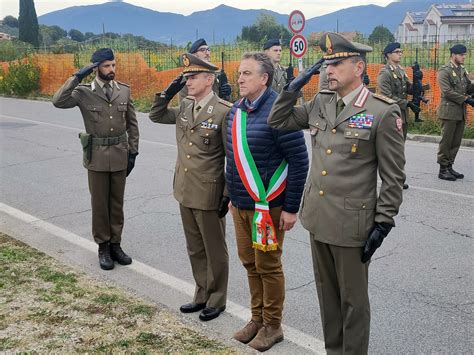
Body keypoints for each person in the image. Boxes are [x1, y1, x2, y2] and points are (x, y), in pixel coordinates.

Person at [268, 32, 405, 354]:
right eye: (326, 64)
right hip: (318, 217)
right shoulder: (321, 102)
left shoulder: (383, 111)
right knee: (327, 298)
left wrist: (383, 222)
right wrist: (292, 88)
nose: (328, 70)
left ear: (358, 67)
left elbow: (393, 176)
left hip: (352, 224)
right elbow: (278, 121)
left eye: (336, 64)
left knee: (353, 303)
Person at [226, 52, 308, 351]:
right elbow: (232, 158)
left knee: (268, 265)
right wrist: (232, 196)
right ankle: (257, 319)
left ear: (264, 78)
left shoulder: (279, 111)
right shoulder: (235, 110)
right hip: (241, 204)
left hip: (269, 208)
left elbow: (299, 161)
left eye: (247, 73)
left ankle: (273, 326)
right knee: (250, 263)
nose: (240, 78)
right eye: (239, 73)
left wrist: (290, 208)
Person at [149, 53, 231, 321]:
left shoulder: (223, 110)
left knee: (214, 247)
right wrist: (168, 92)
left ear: (209, 79)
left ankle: (217, 298)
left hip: (209, 191)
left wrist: (227, 194)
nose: (188, 81)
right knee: (195, 246)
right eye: (185, 77)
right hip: (184, 188)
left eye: (193, 77)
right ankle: (201, 293)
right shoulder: (185, 105)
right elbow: (156, 115)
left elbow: (233, 156)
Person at [53, 48, 139, 270]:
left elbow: (132, 124)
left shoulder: (124, 91)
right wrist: (77, 76)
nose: (111, 70)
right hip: (97, 158)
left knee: (117, 204)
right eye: (106, 66)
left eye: (113, 65)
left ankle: (116, 245)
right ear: (96, 68)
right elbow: (58, 101)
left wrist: (133, 151)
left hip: (120, 154)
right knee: (100, 204)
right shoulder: (83, 92)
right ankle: (103, 246)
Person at [377, 42, 414, 189]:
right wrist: (407, 103)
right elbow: (386, 96)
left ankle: (398, 178)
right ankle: (391, 179)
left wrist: (416, 83)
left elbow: (408, 88)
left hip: (402, 115)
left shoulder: (401, 71)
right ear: (388, 55)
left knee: (399, 148)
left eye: (400, 51)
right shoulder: (384, 73)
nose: (400, 53)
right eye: (397, 51)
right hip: (391, 116)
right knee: (392, 149)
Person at [437, 44, 474, 181]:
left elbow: (467, 87)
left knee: (456, 141)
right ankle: (442, 169)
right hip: (449, 111)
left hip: (460, 111)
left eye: (464, 54)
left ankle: (449, 166)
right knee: (446, 141)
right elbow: (447, 91)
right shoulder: (444, 70)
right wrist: (466, 99)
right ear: (453, 55)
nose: (464, 57)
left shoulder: (462, 70)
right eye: (461, 55)